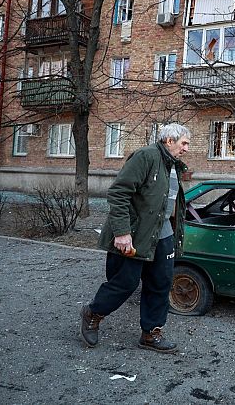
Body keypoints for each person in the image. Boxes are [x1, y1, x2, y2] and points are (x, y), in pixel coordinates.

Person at [79, 123, 191, 353]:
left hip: (163, 235)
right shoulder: (145, 156)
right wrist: (122, 232)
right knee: (125, 283)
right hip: (136, 235)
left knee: (161, 284)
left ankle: (151, 334)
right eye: (184, 143)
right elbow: (119, 194)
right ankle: (93, 313)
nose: (187, 148)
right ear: (169, 141)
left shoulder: (173, 165)